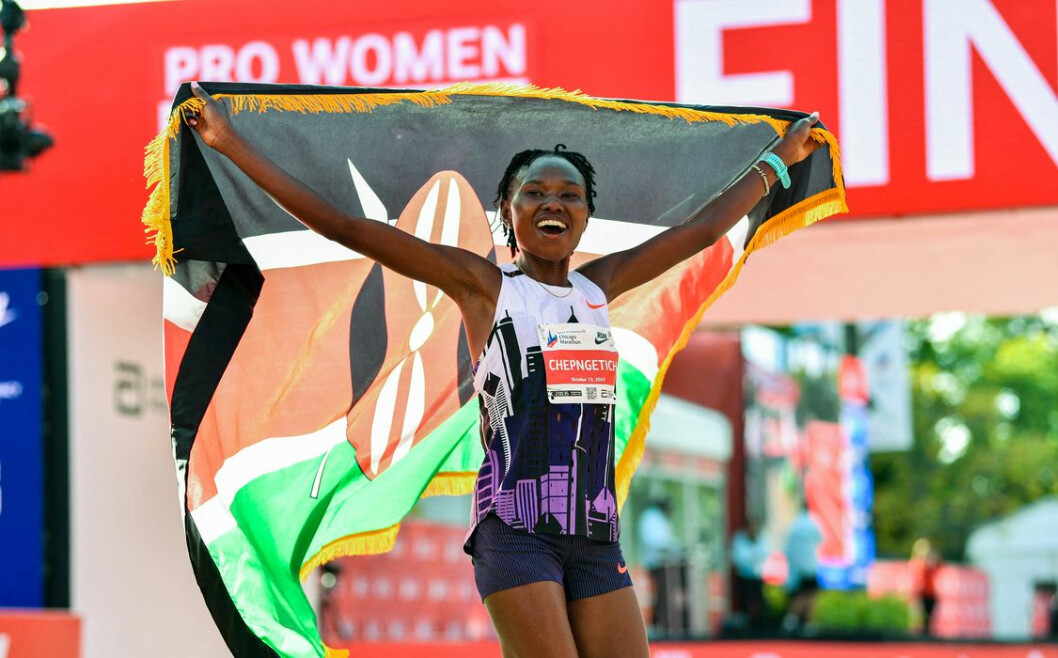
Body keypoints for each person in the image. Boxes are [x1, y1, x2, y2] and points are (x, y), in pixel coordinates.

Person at [185, 82, 820, 658]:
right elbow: (346, 226)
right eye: (533, 193)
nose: (552, 202)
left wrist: (777, 162)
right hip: (517, 534)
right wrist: (230, 143)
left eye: (569, 195)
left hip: (596, 537)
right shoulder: (484, 287)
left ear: (585, 216)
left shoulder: (600, 287)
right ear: (508, 214)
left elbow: (703, 229)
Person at [638, 495, 685, 636]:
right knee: (660, 595)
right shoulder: (651, 518)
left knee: (663, 596)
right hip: (656, 563)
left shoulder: (659, 519)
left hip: (664, 563)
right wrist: (672, 547)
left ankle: (665, 624)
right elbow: (657, 542)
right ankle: (658, 625)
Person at [783, 505, 822, 633]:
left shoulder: (794, 525)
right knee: (809, 596)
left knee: (801, 595)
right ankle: (797, 620)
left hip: (797, 567)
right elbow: (820, 540)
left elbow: (788, 546)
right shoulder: (813, 524)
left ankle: (796, 620)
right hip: (810, 566)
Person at [730, 519, 769, 629]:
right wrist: (754, 557)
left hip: (757, 577)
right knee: (744, 600)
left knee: (760, 600)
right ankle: (746, 624)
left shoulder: (761, 539)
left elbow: (765, 555)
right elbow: (739, 559)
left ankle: (760, 623)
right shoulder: (739, 539)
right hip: (744, 576)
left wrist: (753, 558)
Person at [909, 537, 941, 636]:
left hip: (930, 593)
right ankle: (918, 635)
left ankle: (927, 634)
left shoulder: (931, 562)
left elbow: (939, 565)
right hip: (919, 594)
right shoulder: (916, 562)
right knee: (918, 617)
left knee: (929, 618)